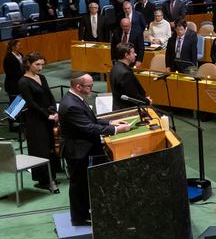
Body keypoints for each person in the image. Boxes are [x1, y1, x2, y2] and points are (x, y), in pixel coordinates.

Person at [59, 74, 132, 225]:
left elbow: (91, 119)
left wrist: (111, 122)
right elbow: (89, 127)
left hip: (83, 149)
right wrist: (116, 130)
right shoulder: (71, 105)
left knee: (85, 184)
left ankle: (86, 212)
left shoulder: (76, 99)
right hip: (77, 152)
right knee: (79, 186)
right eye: (89, 86)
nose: (92, 89)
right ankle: (79, 218)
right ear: (78, 87)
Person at [17, 52, 58, 193]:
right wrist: (47, 116)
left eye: (42, 64)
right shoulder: (23, 82)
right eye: (37, 65)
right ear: (29, 64)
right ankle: (45, 180)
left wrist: (55, 111)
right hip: (35, 120)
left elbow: (49, 95)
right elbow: (31, 103)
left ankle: (52, 175)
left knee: (52, 147)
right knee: (41, 149)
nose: (40, 68)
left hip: (49, 117)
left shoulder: (42, 77)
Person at [109, 43, 147, 111]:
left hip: (117, 107)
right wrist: (147, 101)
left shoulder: (115, 67)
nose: (135, 54)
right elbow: (132, 96)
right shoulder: (125, 73)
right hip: (127, 110)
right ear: (126, 55)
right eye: (133, 52)